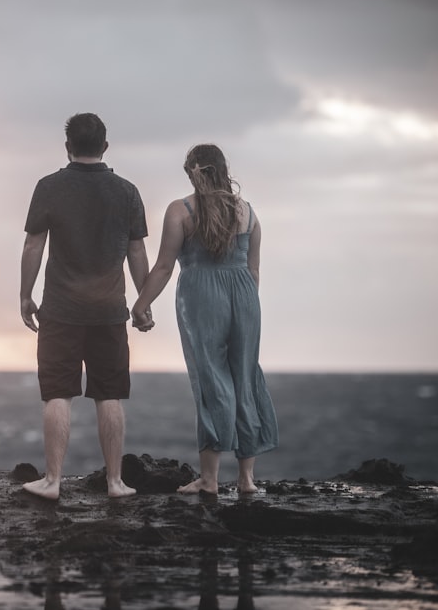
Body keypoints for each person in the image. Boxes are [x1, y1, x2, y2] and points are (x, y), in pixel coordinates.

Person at [131, 144, 278, 494]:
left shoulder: (181, 210)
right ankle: (246, 479)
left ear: (192, 172)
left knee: (209, 378)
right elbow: (253, 270)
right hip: (245, 297)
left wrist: (141, 304)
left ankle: (210, 480)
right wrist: (243, 306)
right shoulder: (249, 213)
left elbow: (164, 267)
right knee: (245, 376)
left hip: (201, 295)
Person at [20, 112, 149, 500]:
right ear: (105, 147)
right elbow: (137, 251)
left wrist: (25, 295)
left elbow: (33, 247)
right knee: (109, 394)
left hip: (60, 308)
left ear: (68, 147)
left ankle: (53, 481)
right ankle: (115, 482)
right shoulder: (127, 191)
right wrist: (144, 302)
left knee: (57, 393)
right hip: (110, 310)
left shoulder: (49, 186)